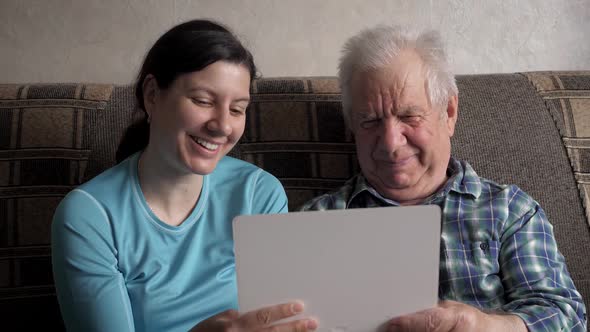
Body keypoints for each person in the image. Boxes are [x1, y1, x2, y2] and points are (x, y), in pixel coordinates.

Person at [300, 25, 587, 331]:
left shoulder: (509, 211)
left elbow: (565, 316)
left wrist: (487, 326)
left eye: (409, 116)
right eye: (370, 121)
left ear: (448, 112)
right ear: (352, 127)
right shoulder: (316, 220)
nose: (390, 143)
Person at [51, 19, 318, 332]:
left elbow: (281, 317)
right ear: (152, 94)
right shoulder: (89, 216)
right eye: (203, 101)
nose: (223, 126)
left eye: (237, 109)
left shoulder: (259, 194)